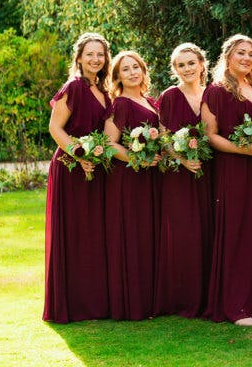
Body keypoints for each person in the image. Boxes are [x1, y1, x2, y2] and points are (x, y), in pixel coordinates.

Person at [202, 35, 252, 326]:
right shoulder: (215, 91)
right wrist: (241, 148)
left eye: (251, 54)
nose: (246, 58)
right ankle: (235, 305)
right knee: (236, 232)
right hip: (232, 169)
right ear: (228, 56)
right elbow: (210, 135)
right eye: (241, 53)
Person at [44, 32, 111, 323]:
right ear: (79, 57)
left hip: (94, 169)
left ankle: (93, 303)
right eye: (90, 54)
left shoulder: (105, 91)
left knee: (92, 236)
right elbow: (55, 128)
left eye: (100, 54)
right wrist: (79, 153)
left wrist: (93, 158)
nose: (95, 59)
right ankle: (71, 305)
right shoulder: (74, 87)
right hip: (71, 168)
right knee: (73, 233)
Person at [154, 43, 212, 318]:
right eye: (181, 65)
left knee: (208, 229)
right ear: (174, 69)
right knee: (183, 233)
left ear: (202, 64)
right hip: (179, 174)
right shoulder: (169, 96)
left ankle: (208, 295)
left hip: (209, 172)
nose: (187, 69)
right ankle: (183, 298)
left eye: (191, 63)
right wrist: (182, 158)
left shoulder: (212, 94)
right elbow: (164, 137)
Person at [104, 51, 161, 321]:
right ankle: (132, 303)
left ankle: (151, 299)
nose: (132, 72)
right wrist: (139, 158)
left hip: (150, 179)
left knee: (148, 234)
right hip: (128, 178)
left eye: (136, 67)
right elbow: (108, 143)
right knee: (132, 235)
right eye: (125, 69)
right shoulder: (120, 105)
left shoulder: (150, 101)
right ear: (117, 77)